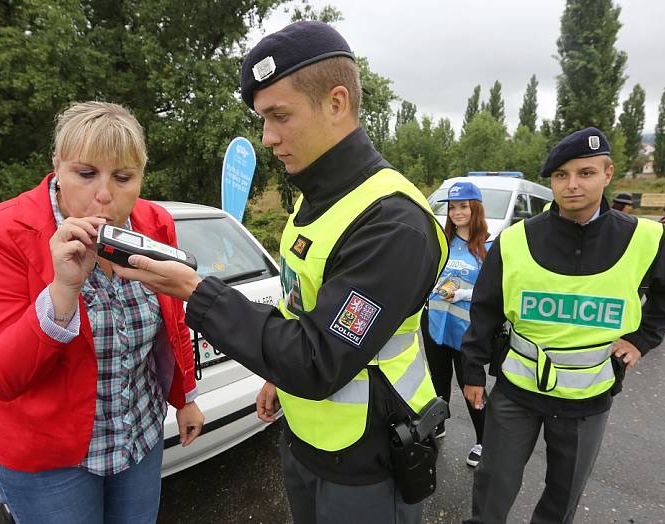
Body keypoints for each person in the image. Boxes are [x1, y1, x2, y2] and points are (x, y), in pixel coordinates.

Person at [113, 21, 448, 524]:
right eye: (261, 119)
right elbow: (301, 310)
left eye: (278, 116)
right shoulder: (317, 197)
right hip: (307, 434)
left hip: (369, 458)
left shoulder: (393, 223)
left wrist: (197, 293)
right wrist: (277, 377)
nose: (266, 137)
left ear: (337, 103)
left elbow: (317, 360)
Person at [0, 101, 204, 523]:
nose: (105, 194)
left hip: (138, 437)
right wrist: (62, 291)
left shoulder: (153, 222)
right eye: (86, 173)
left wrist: (184, 398)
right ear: (57, 167)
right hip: (50, 462)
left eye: (124, 177)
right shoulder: (4, 232)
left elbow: (173, 321)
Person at [460, 127, 665, 524]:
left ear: (607, 174)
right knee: (493, 482)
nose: (571, 185)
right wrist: (472, 371)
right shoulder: (516, 239)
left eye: (585, 173)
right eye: (560, 176)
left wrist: (641, 339)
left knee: (563, 494)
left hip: (589, 398)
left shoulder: (644, 237)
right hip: (517, 392)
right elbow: (485, 308)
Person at [421, 181, 490, 468]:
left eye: (463, 206)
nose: (457, 212)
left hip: (466, 331)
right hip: (435, 322)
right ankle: (440, 424)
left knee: (471, 385)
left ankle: (484, 440)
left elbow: (493, 290)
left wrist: (463, 293)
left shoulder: (489, 245)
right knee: (438, 382)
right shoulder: (441, 242)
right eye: (452, 208)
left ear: (475, 208)